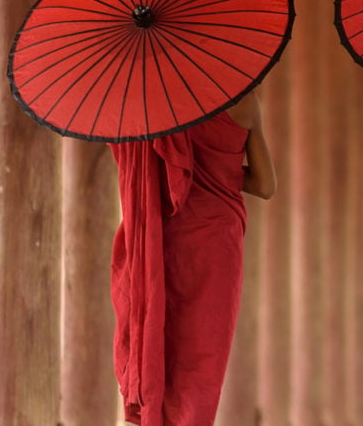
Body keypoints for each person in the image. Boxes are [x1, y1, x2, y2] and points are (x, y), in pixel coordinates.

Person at [107, 91, 276, 425]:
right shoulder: (244, 101)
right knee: (202, 356)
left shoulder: (151, 99)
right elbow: (266, 185)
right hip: (217, 243)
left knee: (159, 338)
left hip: (163, 235)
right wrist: (219, 172)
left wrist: (186, 169)